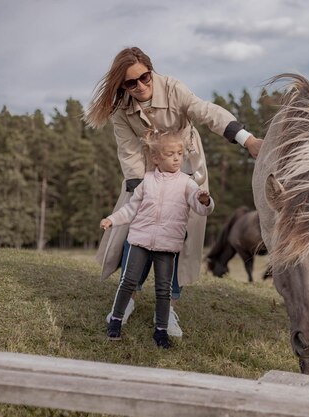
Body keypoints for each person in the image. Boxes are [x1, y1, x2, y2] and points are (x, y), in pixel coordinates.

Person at [84, 46, 262, 336]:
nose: (141, 86)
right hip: (146, 176)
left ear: (151, 72)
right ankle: (127, 298)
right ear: (122, 86)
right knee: (136, 233)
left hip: (185, 172)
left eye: (145, 77)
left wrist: (248, 140)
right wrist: (145, 195)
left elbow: (207, 113)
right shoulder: (121, 113)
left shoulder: (173, 89)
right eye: (131, 83)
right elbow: (129, 155)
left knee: (176, 237)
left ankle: (169, 310)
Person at [100, 130, 214, 348]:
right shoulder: (147, 181)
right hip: (139, 242)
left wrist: (205, 201)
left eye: (180, 153)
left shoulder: (187, 184)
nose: (176, 158)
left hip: (167, 246)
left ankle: (161, 331)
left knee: (164, 290)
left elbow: (201, 208)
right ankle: (116, 320)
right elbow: (131, 209)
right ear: (156, 158)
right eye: (170, 154)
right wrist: (112, 220)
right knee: (128, 282)